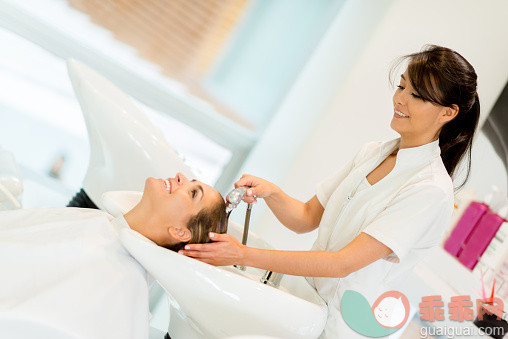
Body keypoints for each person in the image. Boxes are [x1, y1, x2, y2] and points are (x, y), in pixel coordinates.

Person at [180, 45, 480, 338]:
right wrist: (271, 192)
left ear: (448, 113)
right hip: (304, 306)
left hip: (342, 326)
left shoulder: (429, 190)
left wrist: (242, 254)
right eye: (401, 87)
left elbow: (342, 263)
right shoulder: (372, 153)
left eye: (415, 95)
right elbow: (307, 217)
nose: (400, 99)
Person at [0, 173, 227, 339]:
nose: (180, 176)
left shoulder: (122, 281)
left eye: (193, 192)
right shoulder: (101, 223)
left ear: (179, 232)